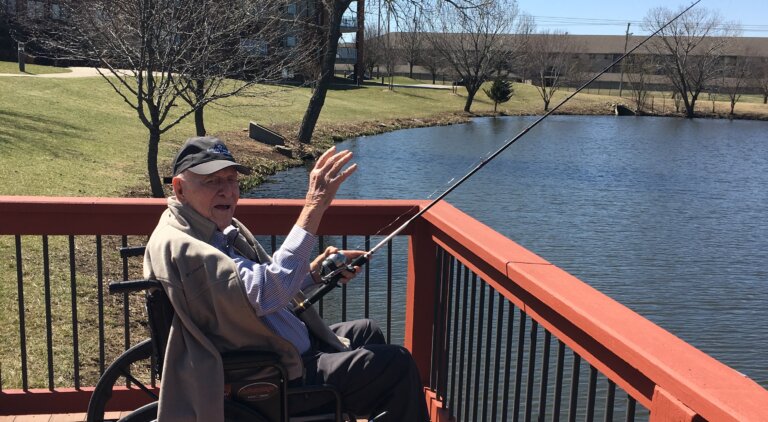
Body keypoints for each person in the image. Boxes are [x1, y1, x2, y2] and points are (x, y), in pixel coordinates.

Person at [143, 136, 429, 422]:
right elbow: (268, 292)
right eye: (212, 181)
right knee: (397, 366)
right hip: (273, 376)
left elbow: (249, 292)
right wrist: (314, 207)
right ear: (179, 188)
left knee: (367, 331)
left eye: (231, 179)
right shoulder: (192, 248)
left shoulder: (201, 230)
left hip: (274, 352)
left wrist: (315, 273)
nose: (227, 191)